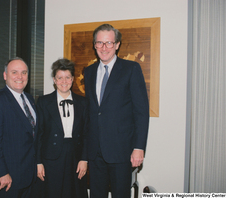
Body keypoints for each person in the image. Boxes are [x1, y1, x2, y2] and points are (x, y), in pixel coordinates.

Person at [84, 24, 150, 198]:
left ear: (117, 44)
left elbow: (141, 112)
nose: (104, 48)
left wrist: (139, 147)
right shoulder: (88, 72)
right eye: (99, 43)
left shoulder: (131, 69)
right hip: (95, 150)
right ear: (94, 45)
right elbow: (92, 112)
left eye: (109, 43)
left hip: (121, 151)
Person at [0, 57, 37, 198]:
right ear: (5, 75)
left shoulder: (30, 99)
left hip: (29, 177)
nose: (20, 77)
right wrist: (1, 173)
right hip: (7, 180)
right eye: (14, 72)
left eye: (24, 73)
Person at [36, 58, 88, 198]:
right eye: (60, 78)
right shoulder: (43, 102)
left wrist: (84, 159)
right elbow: (38, 134)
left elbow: (86, 134)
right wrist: (38, 162)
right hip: (50, 158)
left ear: (72, 79)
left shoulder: (83, 103)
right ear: (54, 79)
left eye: (67, 77)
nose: (64, 82)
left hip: (75, 157)